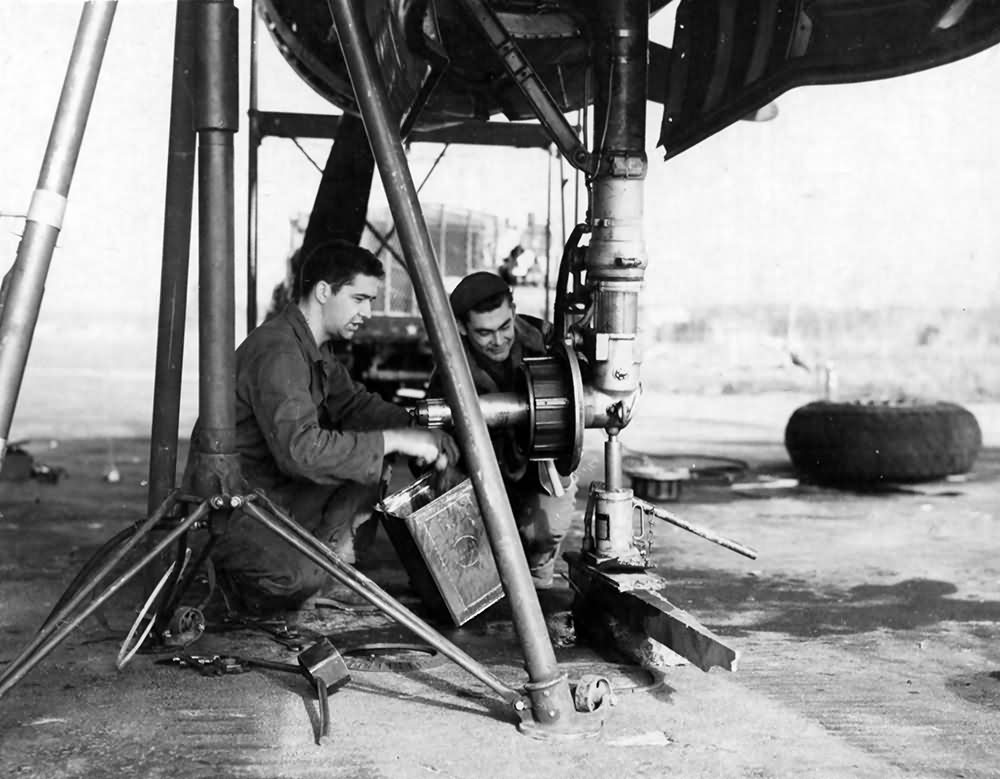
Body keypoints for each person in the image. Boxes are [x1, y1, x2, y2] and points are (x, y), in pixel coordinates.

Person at [188, 240, 459, 615]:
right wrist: (395, 439)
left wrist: (416, 427)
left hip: (272, 492)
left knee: (369, 461)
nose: (367, 311)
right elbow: (301, 452)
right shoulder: (280, 352)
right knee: (297, 579)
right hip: (234, 504)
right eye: (359, 298)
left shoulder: (312, 345)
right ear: (322, 292)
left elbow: (353, 404)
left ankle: (331, 566)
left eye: (371, 301)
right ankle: (243, 576)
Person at [428, 271, 577, 589]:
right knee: (476, 550)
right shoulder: (450, 369)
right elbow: (432, 446)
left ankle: (539, 569)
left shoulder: (543, 339)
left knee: (546, 529)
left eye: (504, 326)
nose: (498, 340)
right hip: (480, 476)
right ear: (462, 328)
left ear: (513, 310)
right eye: (484, 332)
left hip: (538, 469)